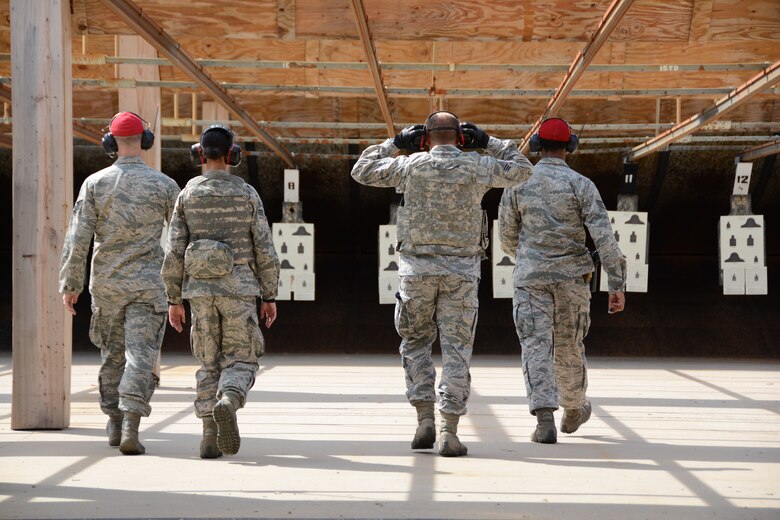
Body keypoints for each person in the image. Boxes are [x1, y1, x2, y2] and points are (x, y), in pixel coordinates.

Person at [351, 112, 533, 457]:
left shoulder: (411, 165)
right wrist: (488, 141)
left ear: (425, 138)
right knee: (456, 349)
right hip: (462, 273)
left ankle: (424, 421)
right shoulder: (478, 166)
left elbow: (361, 170)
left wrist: (395, 143)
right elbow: (523, 170)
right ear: (461, 138)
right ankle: (449, 430)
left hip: (415, 272)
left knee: (415, 342)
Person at [498, 117, 626, 444]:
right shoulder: (582, 185)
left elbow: (506, 237)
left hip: (530, 280)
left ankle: (544, 417)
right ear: (571, 146)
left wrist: (529, 258)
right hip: (572, 279)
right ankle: (573, 407)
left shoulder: (517, 183)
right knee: (569, 345)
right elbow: (605, 240)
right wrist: (616, 285)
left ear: (538, 146)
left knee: (535, 345)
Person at [59, 111, 180, 455]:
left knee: (112, 356)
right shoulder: (165, 185)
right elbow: (177, 242)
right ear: (145, 141)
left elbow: (77, 237)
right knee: (141, 357)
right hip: (149, 286)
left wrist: (71, 284)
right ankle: (131, 421)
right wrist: (178, 291)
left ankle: (113, 419)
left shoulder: (95, 183)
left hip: (107, 286)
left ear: (110, 143)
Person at [162, 125, 280, 459]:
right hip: (239, 290)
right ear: (233, 156)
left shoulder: (187, 195)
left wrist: (174, 298)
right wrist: (269, 295)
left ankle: (209, 437)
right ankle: (229, 398)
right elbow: (264, 249)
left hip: (199, 292)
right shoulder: (246, 193)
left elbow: (174, 250)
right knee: (241, 357)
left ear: (200, 154)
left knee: (207, 361)